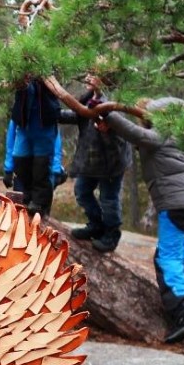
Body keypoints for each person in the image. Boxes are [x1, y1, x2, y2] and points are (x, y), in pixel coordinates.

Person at [103, 97, 184, 343]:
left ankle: (182, 311)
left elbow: (132, 132)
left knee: (166, 256)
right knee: (179, 246)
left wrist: (108, 111)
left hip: (176, 202)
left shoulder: (159, 135)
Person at [58, 74, 132, 252]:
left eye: (94, 75)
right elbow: (78, 114)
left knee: (109, 199)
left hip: (112, 161)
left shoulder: (116, 100)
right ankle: (96, 224)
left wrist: (109, 128)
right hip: (91, 160)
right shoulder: (89, 97)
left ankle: (112, 234)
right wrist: (52, 112)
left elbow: (121, 129)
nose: (89, 78)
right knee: (82, 191)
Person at [8, 78, 61, 217]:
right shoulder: (20, 75)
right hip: (24, 125)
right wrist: (8, 167)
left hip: (44, 127)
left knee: (41, 167)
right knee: (21, 162)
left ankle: (39, 203)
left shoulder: (49, 75)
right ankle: (27, 197)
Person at [3, 119, 67, 191]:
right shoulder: (18, 112)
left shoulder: (48, 112)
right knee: (21, 199)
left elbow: (55, 143)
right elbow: (11, 142)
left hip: (43, 165)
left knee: (41, 199)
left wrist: (56, 170)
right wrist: (8, 170)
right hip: (22, 166)